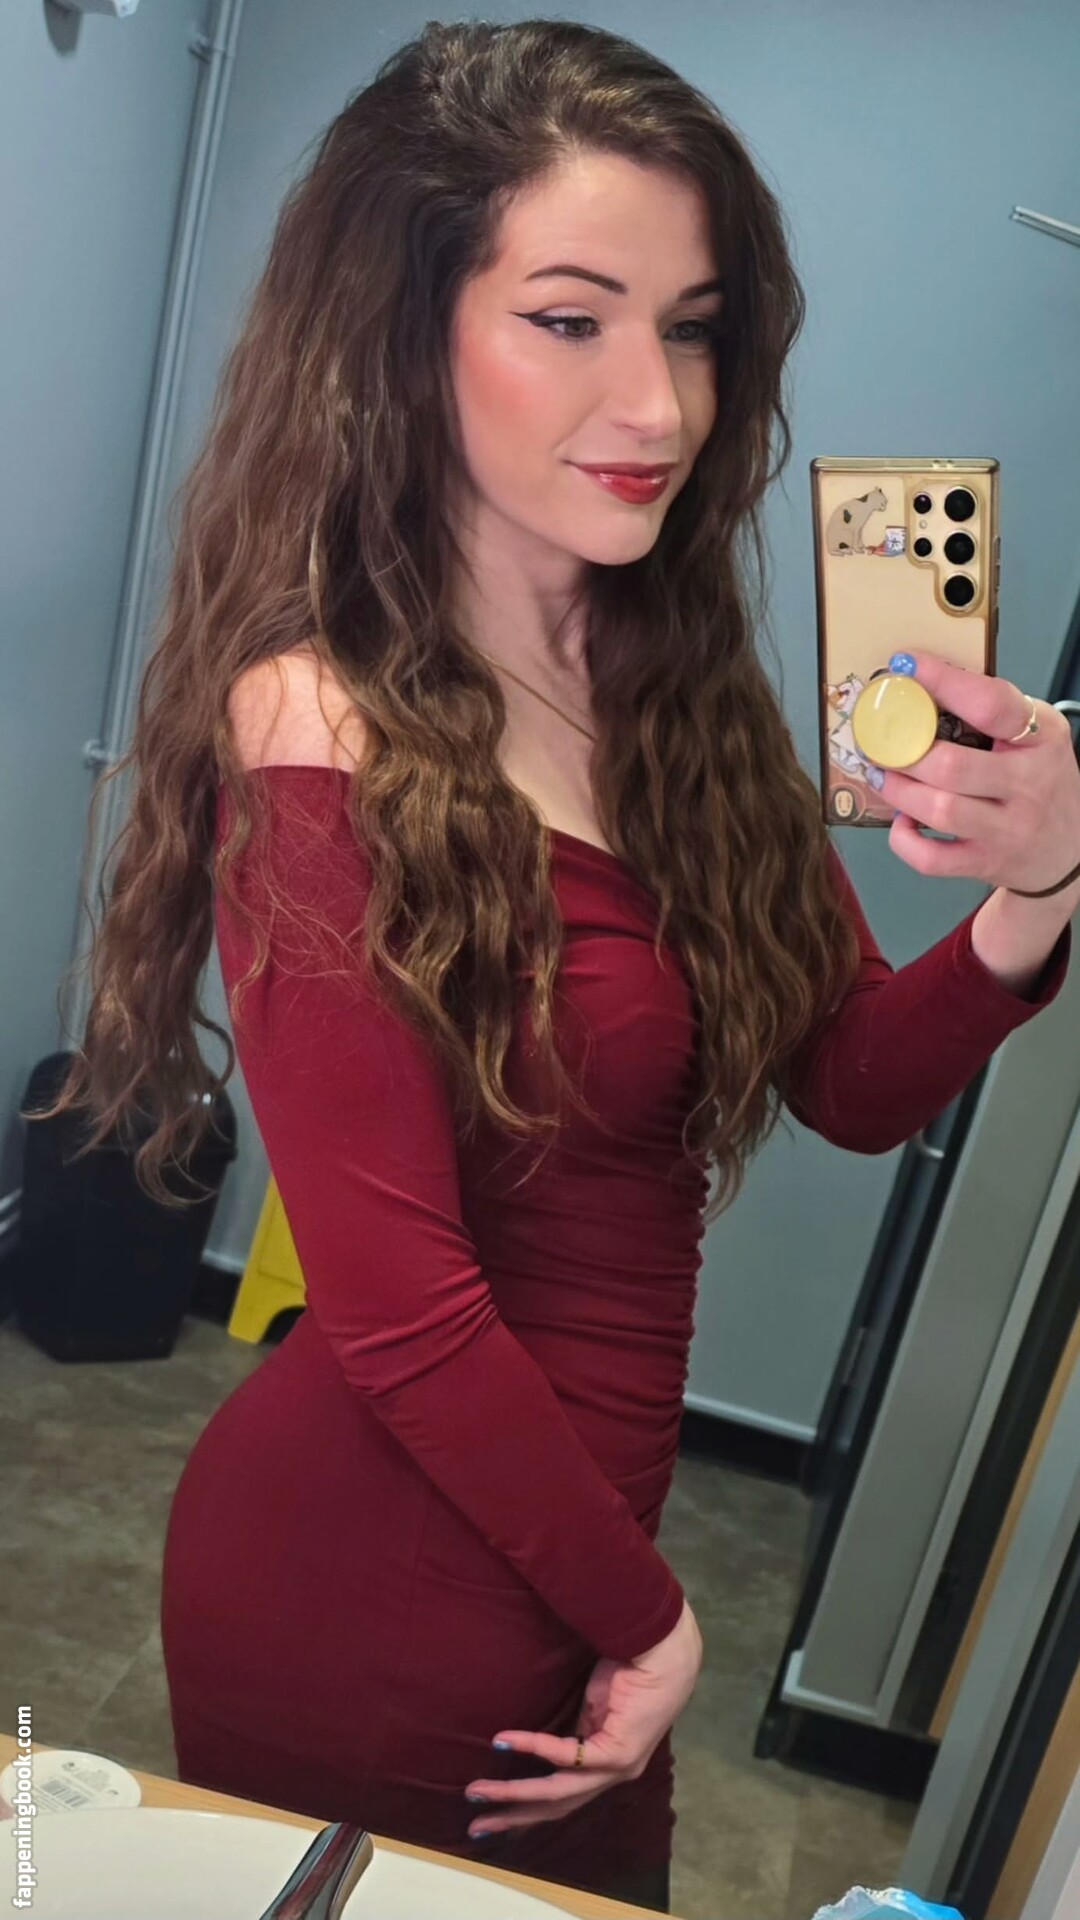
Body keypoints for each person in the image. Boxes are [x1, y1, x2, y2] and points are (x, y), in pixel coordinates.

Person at [30, 19, 1080, 1913]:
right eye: (572, 318)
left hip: (579, 1569)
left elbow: (848, 1080)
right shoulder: (317, 727)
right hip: (376, 1582)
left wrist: (1035, 894)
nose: (658, 403)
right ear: (404, 335)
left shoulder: (682, 699)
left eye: (694, 327)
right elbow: (398, 1305)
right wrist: (658, 1620)